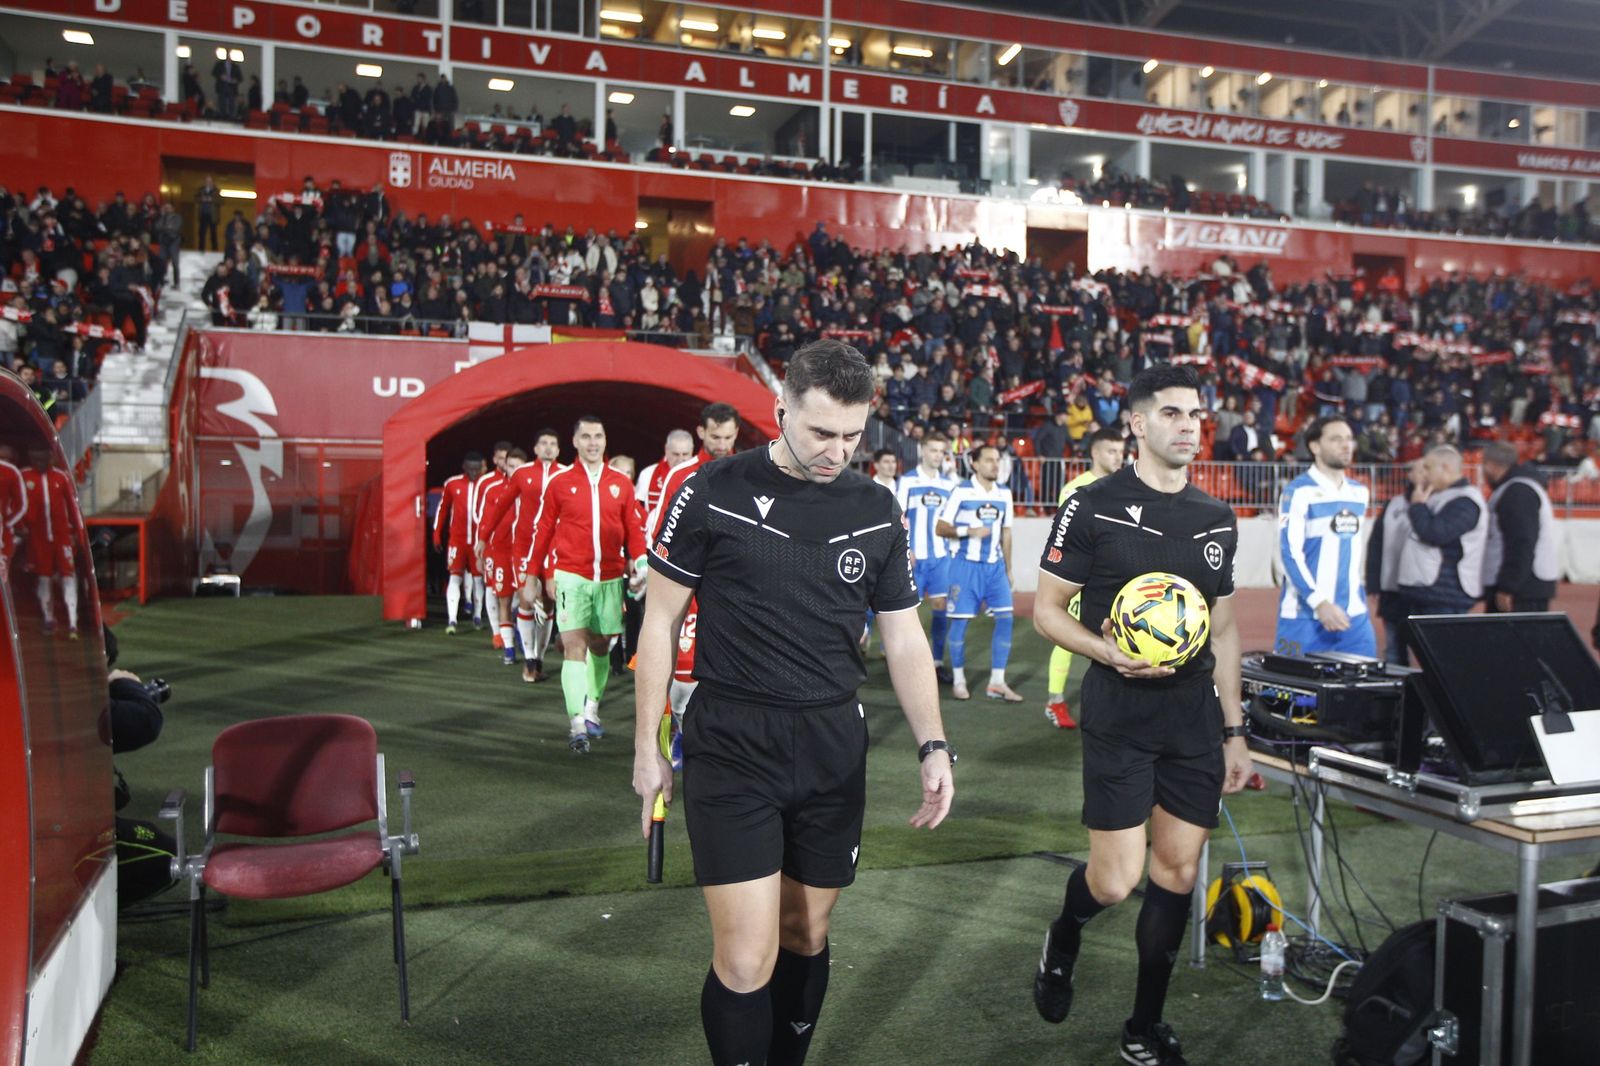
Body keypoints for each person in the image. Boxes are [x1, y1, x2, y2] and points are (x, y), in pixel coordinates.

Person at [632, 339, 954, 1066]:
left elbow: (903, 637)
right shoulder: (712, 490)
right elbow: (659, 623)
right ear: (780, 410)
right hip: (732, 739)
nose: (838, 450)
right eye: (820, 433)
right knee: (746, 961)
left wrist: (934, 745)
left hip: (833, 743)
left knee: (805, 934)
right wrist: (646, 745)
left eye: (852, 435)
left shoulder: (876, 509)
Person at [1031, 363, 1249, 1066]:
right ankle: (1066, 933)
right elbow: (1046, 610)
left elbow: (1223, 630)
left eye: (1196, 415)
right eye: (1174, 413)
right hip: (1120, 712)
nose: (1189, 426)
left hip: (1191, 720)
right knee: (1116, 881)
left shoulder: (1217, 518)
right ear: (1137, 422)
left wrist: (1234, 728)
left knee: (1178, 874)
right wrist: (1108, 652)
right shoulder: (1091, 505)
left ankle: (1142, 1026)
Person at [527, 417, 647, 752]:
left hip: (609, 578)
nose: (593, 442)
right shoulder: (561, 482)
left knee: (600, 645)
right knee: (574, 645)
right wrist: (532, 575)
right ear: (575, 442)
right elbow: (543, 529)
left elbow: (633, 529)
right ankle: (577, 721)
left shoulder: (621, 483)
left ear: (605, 441)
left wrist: (641, 561)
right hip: (571, 577)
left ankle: (592, 706)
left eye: (598, 436)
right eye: (586, 437)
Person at [1274, 415, 1376, 657]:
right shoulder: (1298, 492)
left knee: (1366, 691)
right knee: (1300, 695)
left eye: (1349, 439)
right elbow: (1289, 554)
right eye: (1336, 439)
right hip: (1304, 618)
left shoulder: (1360, 493)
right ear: (1315, 447)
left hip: (1354, 618)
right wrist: (1320, 602)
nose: (1346, 445)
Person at [1044, 426, 1124, 728]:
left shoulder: (1124, 485)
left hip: (1115, 580)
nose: (1118, 457)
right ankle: (1055, 701)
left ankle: (1114, 706)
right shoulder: (1076, 489)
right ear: (1094, 453)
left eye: (1120, 451)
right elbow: (1065, 539)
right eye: (1111, 451)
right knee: (1067, 640)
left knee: (1120, 639)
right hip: (1083, 580)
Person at [935, 442, 1022, 702]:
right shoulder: (961, 491)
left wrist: (1008, 568)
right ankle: (959, 680)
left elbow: (1006, 532)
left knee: (1006, 619)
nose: (996, 465)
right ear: (974, 463)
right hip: (965, 567)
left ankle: (997, 682)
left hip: (995, 568)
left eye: (997, 460)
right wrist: (968, 531)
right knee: (960, 622)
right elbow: (940, 527)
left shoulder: (1004, 493)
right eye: (989, 460)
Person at [1395, 444, 1487, 647]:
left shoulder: (1466, 501)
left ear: (1445, 468)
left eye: (1427, 468)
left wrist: (1418, 506)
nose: (1423, 474)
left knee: (1446, 657)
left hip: (1446, 595)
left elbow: (1436, 534)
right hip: (1429, 591)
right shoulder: (1441, 495)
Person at [896, 431, 957, 685]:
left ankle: (936, 662)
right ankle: (909, 664)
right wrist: (904, 549)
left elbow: (951, 520)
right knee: (910, 613)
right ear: (922, 451)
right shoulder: (908, 481)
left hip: (941, 558)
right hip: (915, 558)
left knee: (941, 609)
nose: (937, 456)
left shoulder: (948, 484)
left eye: (942, 451)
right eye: (933, 450)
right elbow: (897, 518)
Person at [507, 429, 567, 681]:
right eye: (543, 443)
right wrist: (483, 537)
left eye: (553, 443)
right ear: (535, 448)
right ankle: (529, 657)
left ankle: (538, 660)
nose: (548, 448)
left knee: (548, 602)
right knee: (526, 598)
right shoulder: (522, 474)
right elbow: (502, 503)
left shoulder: (565, 474)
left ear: (559, 449)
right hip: (524, 547)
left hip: (554, 547)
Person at [1479, 441, 1558, 613]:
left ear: (1490, 465)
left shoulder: (1517, 492)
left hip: (1522, 590)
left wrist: (1508, 586)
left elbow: (1522, 541)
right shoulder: (1518, 488)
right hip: (1525, 585)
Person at [21, 449, 82, 637]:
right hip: (38, 538)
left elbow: (73, 507)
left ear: (51, 458)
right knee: (44, 577)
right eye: (36, 459)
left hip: (62, 536)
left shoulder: (61, 477)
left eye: (44, 459)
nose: (40, 463)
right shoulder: (24, 476)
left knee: (68, 575)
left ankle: (73, 621)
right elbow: (17, 504)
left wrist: (79, 534)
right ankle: (48, 617)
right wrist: (22, 525)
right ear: (32, 458)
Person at [475, 449, 528, 665]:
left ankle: (527, 643)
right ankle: (507, 646)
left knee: (527, 600)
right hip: (501, 551)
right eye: (511, 466)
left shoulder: (535, 489)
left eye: (519, 466)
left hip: (526, 552)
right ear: (504, 466)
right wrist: (483, 545)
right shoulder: (494, 489)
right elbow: (483, 519)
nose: (514, 470)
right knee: (502, 597)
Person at [1371, 459, 1424, 665]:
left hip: (1424, 591)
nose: (1419, 474)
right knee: (1393, 648)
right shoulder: (1394, 504)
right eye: (1415, 470)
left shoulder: (1440, 504)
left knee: (1426, 653)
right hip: (1392, 589)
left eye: (1424, 469)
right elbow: (1376, 543)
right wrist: (1374, 581)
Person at [433, 452, 485, 634]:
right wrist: (436, 533)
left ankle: (477, 616)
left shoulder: (486, 484)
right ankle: (452, 619)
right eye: (470, 468)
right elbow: (443, 509)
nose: (473, 472)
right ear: (464, 466)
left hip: (478, 542)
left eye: (476, 468)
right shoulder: (452, 483)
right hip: (458, 540)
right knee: (455, 577)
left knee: (479, 579)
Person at [468, 441, 513, 641]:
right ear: (495, 459)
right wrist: (483, 541)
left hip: (517, 545)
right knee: (491, 586)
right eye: (501, 458)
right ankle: (497, 632)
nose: (504, 463)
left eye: (507, 459)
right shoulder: (486, 483)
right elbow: (478, 515)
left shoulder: (522, 480)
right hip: (494, 545)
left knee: (515, 591)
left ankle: (511, 628)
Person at [636, 429, 695, 521]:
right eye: (676, 454)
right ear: (666, 450)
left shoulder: (700, 476)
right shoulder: (648, 474)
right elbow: (638, 509)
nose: (680, 459)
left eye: (685, 454)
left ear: (692, 451)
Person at [195, 176, 219, 253]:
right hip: (203, 214)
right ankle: (201, 249)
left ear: (212, 182)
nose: (208, 183)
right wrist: (201, 199)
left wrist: (212, 200)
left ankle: (214, 250)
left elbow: (221, 201)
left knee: (213, 233)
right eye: (207, 181)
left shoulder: (216, 191)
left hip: (212, 215)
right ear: (205, 182)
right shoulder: (200, 190)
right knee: (202, 233)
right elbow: (195, 198)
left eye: (210, 181)